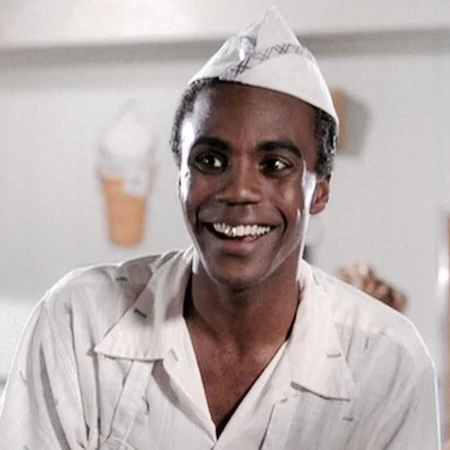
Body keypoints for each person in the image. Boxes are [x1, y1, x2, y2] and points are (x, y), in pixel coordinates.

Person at [0, 7, 440, 449]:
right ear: (180, 179)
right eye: (210, 160)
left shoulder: (388, 365)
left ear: (319, 191)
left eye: (275, 165)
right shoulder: (78, 322)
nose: (239, 191)